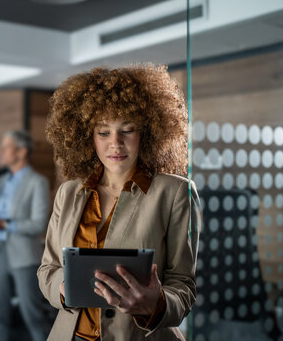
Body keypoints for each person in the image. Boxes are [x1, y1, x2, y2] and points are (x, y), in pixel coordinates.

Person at [38, 65, 202, 341]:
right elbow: (47, 269)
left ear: (147, 133)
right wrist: (63, 288)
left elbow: (183, 286)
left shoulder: (174, 192)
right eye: (103, 132)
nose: (116, 143)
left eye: (127, 130)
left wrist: (155, 303)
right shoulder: (69, 192)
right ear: (88, 137)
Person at [0, 130, 52, 341]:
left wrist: (4, 224)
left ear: (21, 152)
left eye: (6, 147)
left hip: (23, 255)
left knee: (32, 313)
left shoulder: (37, 182)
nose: (1, 152)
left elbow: (39, 224)